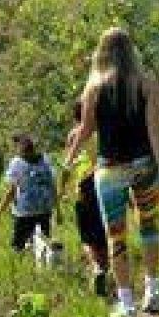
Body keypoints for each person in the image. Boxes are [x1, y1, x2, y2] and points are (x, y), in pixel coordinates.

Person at [64, 28, 159, 317]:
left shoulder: (94, 87)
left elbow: (85, 130)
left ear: (102, 52)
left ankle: (127, 304)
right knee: (148, 226)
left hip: (109, 170)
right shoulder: (146, 83)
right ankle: (153, 291)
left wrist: (68, 162)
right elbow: (155, 130)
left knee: (116, 236)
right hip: (144, 165)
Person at [66, 100, 111, 298]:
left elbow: (68, 164)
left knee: (87, 238)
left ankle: (97, 268)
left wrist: (62, 191)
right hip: (105, 184)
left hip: (83, 189)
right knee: (104, 234)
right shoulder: (103, 132)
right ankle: (106, 273)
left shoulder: (74, 135)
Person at [0, 134, 58, 253]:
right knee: (42, 243)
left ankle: (33, 260)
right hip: (42, 209)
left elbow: (11, 191)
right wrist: (57, 209)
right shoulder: (44, 161)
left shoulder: (18, 163)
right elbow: (52, 186)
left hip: (26, 212)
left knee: (20, 246)